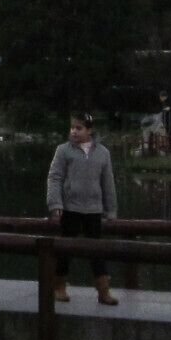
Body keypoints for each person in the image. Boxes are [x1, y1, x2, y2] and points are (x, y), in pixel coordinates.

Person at [46, 112, 119, 306]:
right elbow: (55, 177)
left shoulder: (103, 153)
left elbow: (108, 182)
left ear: (89, 130)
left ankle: (103, 290)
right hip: (71, 207)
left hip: (93, 209)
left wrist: (111, 210)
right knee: (65, 250)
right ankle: (59, 286)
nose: (74, 132)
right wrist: (55, 204)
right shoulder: (64, 151)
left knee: (96, 251)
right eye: (72, 128)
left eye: (78, 128)